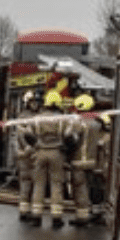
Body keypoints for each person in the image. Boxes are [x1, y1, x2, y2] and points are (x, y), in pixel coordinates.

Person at [24, 90, 75, 228]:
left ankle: (36, 216)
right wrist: (65, 149)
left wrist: (36, 145)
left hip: (40, 152)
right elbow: (69, 136)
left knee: (38, 184)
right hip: (56, 153)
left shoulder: (36, 118)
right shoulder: (63, 119)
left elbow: (27, 134)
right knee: (56, 184)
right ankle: (56, 218)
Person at [67, 94, 102, 227]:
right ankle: (96, 213)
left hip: (78, 161)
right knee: (92, 187)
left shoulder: (78, 123)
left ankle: (82, 217)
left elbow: (70, 140)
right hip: (94, 162)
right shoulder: (98, 123)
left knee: (80, 188)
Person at [15, 91, 41, 221]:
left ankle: (25, 210)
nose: (35, 104)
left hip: (26, 154)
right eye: (33, 102)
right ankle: (27, 211)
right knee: (32, 184)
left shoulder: (22, 117)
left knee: (28, 184)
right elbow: (21, 136)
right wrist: (29, 148)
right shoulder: (37, 117)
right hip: (31, 154)